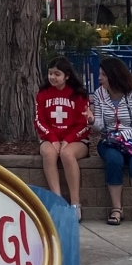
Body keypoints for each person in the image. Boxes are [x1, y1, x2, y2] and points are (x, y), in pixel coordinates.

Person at [92, 56, 132, 226]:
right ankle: (116, 209)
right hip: (109, 142)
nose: (99, 78)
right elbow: (100, 126)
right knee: (114, 161)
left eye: (103, 75)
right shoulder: (99, 94)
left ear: (114, 76)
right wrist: (91, 121)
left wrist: (124, 135)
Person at [34, 58, 90, 217]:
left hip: (76, 140)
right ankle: (57, 201)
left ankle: (75, 204)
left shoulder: (78, 94)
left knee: (67, 154)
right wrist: (52, 139)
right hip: (49, 138)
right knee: (49, 153)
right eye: (50, 73)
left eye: (57, 74)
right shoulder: (43, 94)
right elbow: (39, 120)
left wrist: (67, 140)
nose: (52, 77)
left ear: (67, 76)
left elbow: (84, 124)